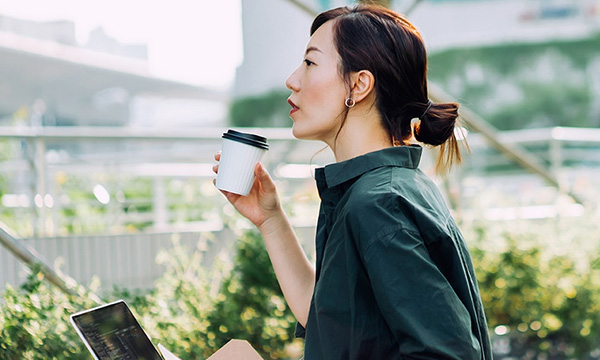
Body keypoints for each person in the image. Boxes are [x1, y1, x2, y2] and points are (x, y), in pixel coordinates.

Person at [213, 4, 492, 359]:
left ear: (359, 84)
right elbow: (328, 320)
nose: (292, 79)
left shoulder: (379, 203)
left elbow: (446, 354)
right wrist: (270, 219)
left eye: (310, 63)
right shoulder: (383, 188)